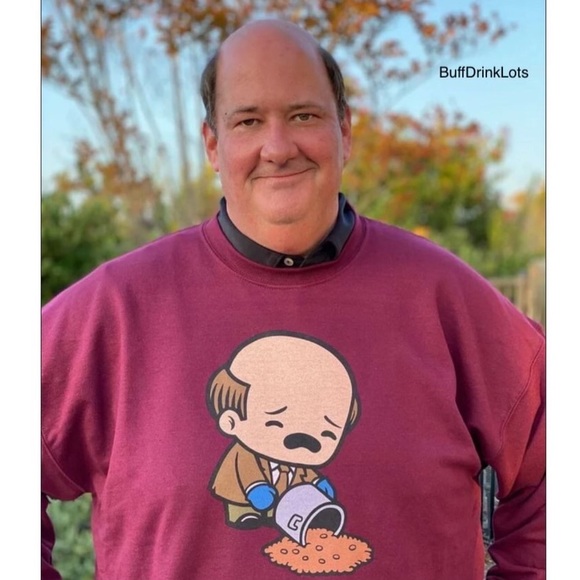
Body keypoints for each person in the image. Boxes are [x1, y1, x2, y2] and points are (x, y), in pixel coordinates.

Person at [42, 18, 545, 580]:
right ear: (213, 144)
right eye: (248, 121)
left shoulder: (445, 298)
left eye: (304, 116)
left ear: (344, 132)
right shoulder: (116, 309)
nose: (278, 148)